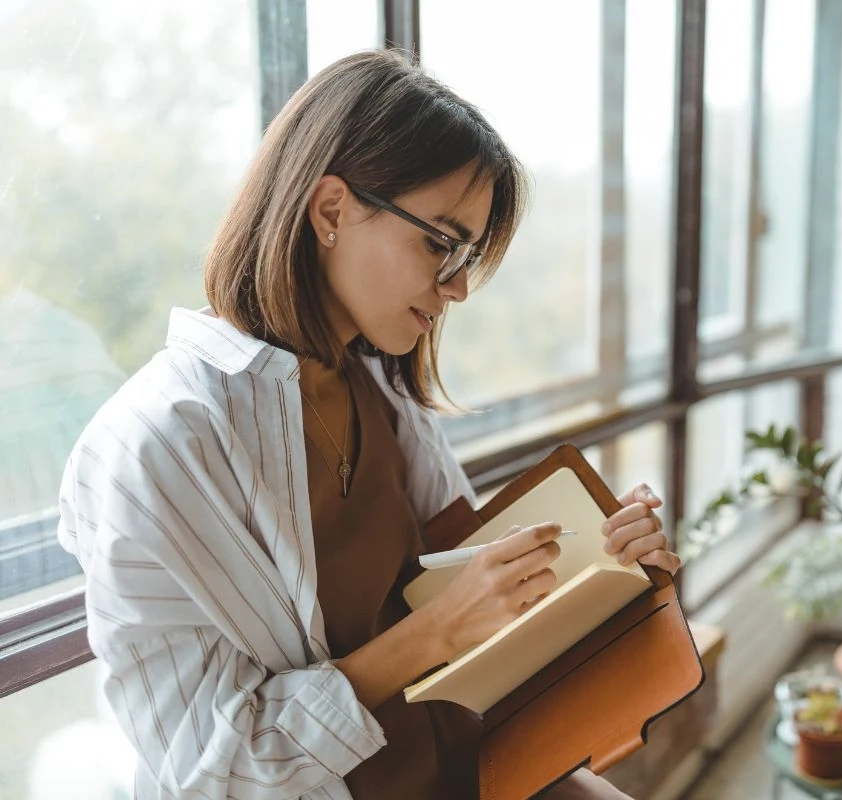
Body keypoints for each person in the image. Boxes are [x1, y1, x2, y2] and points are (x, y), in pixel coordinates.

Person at [57, 49, 681, 800]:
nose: (456, 289)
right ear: (330, 210)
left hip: (475, 765)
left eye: (468, 256)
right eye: (440, 242)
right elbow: (208, 775)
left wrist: (608, 560)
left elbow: (476, 591)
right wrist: (434, 635)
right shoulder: (156, 447)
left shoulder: (379, 390)